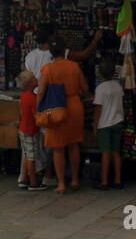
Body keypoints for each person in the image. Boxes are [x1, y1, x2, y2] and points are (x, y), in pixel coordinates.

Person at [37, 37, 92, 193]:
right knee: (74, 145)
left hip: (55, 108)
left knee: (58, 147)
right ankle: (74, 180)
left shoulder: (48, 69)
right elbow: (85, 88)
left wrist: (38, 109)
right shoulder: (74, 66)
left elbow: (41, 92)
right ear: (64, 50)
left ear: (51, 53)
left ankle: (61, 183)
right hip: (74, 106)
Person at [92, 59, 125, 189]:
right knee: (116, 152)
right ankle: (118, 179)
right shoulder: (118, 87)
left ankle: (104, 181)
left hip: (104, 124)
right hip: (118, 121)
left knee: (105, 153)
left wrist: (95, 124)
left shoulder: (100, 89)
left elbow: (98, 109)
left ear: (99, 73)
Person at [16, 70, 47, 191]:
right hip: (30, 130)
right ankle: (33, 182)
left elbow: (22, 113)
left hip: (23, 128)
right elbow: (36, 116)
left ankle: (24, 179)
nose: (37, 79)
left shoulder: (23, 96)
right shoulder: (32, 98)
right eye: (34, 78)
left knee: (26, 154)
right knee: (32, 157)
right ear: (30, 83)